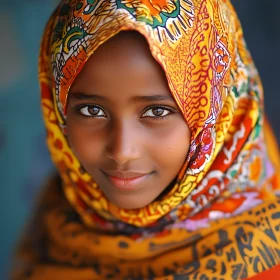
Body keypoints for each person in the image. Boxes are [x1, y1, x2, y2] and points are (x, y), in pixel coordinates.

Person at [11, 0, 280, 279]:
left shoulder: (267, 262)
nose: (122, 151)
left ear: (219, 111)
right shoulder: (57, 217)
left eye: (157, 111)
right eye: (92, 110)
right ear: (59, 112)